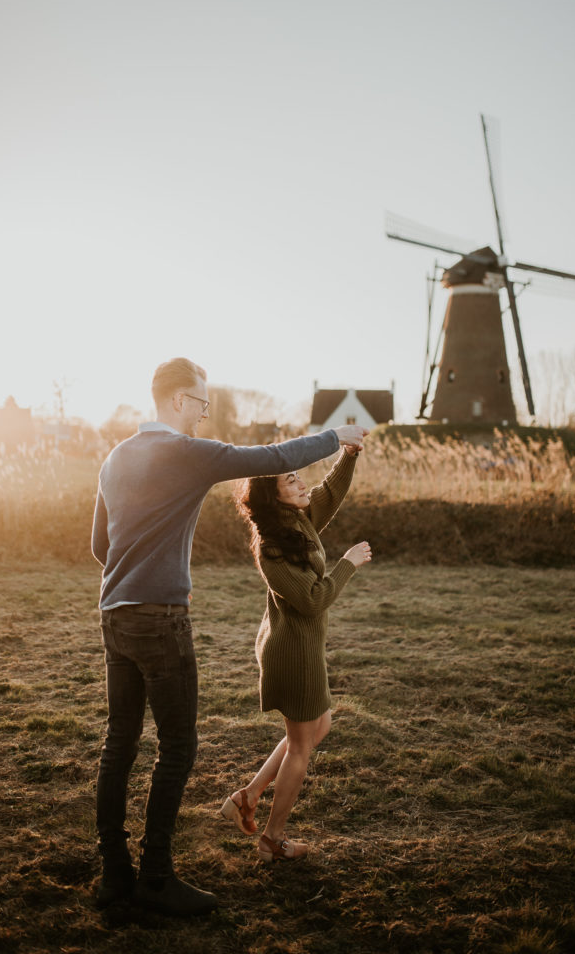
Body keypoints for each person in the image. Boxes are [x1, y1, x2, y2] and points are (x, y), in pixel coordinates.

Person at [91, 356, 368, 916]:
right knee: (177, 747)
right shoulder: (185, 452)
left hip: (114, 614)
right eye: (200, 403)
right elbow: (271, 458)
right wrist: (337, 436)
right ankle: (157, 880)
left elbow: (101, 544)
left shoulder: (116, 456)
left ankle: (114, 877)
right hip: (160, 618)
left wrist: (135, 573)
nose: (204, 413)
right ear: (175, 402)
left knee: (119, 745)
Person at [220, 440, 371, 862]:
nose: (301, 481)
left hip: (302, 647)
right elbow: (313, 600)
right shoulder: (272, 547)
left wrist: (350, 454)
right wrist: (347, 564)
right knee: (301, 746)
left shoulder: (298, 520)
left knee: (316, 728)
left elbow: (330, 493)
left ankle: (246, 797)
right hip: (292, 654)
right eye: (290, 479)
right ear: (274, 495)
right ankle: (272, 839)